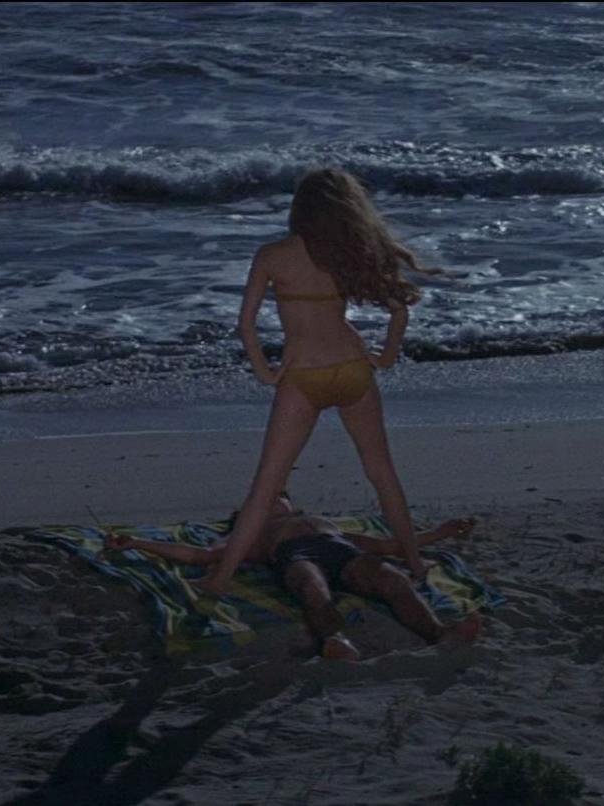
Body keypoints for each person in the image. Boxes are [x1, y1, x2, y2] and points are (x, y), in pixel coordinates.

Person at [193, 167, 437, 599]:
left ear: (299, 209)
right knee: (381, 472)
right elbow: (399, 312)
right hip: (353, 368)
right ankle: (416, 565)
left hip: (303, 375)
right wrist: (384, 358)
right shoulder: (349, 254)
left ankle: (220, 578)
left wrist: (264, 371)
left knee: (267, 484)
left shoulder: (273, 254)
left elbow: (246, 325)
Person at [108, 491, 482, 660]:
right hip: (295, 556)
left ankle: (439, 634)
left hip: (341, 550)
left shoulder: (322, 521)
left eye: (279, 495)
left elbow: (388, 545)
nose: (273, 497)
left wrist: (441, 533)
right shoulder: (252, 533)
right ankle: (336, 641)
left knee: (392, 579)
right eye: (264, 497)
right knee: (313, 588)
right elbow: (199, 554)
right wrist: (136, 542)